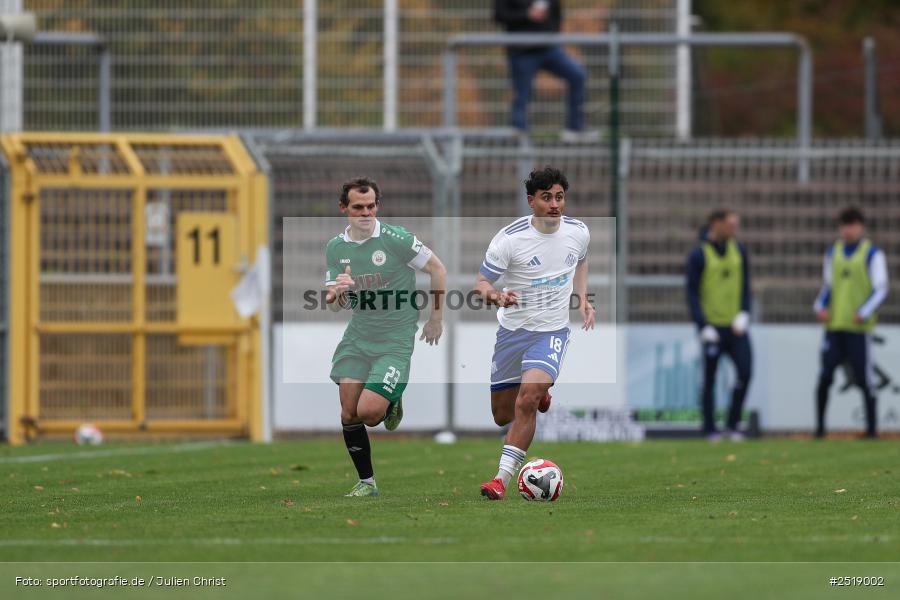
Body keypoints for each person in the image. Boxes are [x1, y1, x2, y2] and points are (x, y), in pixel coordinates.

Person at [474, 167, 594, 500]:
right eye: (546, 198)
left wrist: (583, 298)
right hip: (512, 332)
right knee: (502, 414)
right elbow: (480, 284)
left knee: (526, 400)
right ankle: (539, 392)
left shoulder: (578, 231)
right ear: (531, 201)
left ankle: (500, 480)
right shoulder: (509, 240)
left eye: (559, 197)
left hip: (551, 331)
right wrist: (497, 296)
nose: (555, 204)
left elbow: (581, 261)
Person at [325, 177, 447, 496]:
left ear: (377, 205)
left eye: (371, 206)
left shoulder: (396, 239)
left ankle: (392, 396)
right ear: (344, 208)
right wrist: (336, 293)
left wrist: (436, 318)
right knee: (349, 412)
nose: (365, 213)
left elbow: (438, 269)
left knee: (369, 413)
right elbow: (334, 305)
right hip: (358, 335)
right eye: (358, 207)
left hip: (395, 337)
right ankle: (367, 483)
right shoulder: (336, 248)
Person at [813, 207, 888, 439]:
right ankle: (820, 428)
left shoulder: (872, 254)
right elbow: (828, 286)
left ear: (861, 227)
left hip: (858, 328)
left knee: (865, 379)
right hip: (835, 327)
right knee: (825, 376)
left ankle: (872, 430)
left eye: (852, 225)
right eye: (844, 225)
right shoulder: (832, 252)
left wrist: (864, 311)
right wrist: (820, 307)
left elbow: (881, 288)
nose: (847, 229)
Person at [686, 209, 753, 441]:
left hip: (736, 327)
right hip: (712, 329)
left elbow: (746, 286)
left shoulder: (740, 250)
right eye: (730, 224)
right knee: (710, 379)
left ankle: (733, 425)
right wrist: (702, 325)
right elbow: (692, 293)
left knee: (745, 372)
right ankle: (710, 429)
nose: (734, 228)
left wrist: (745, 312)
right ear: (716, 224)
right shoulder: (699, 255)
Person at [493, 0, 597, 142]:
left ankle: (575, 127)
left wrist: (550, 32)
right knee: (522, 93)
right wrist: (526, 15)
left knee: (577, 75)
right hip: (521, 51)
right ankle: (519, 134)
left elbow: (557, 14)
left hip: (548, 48)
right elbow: (499, 15)